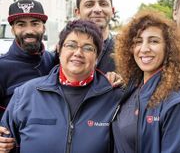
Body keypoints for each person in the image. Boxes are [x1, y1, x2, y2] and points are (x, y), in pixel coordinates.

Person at [0, 19, 124, 153]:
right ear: (59, 49)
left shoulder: (114, 98)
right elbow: (5, 143)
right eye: (71, 45)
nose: (78, 53)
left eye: (88, 48)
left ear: (97, 56)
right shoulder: (26, 94)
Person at [112, 10, 180, 152]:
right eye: (138, 42)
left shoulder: (176, 104)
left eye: (154, 41)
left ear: (169, 48)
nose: (144, 49)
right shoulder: (130, 90)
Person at [0, 0, 55, 119]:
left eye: (35, 24)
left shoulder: (54, 61)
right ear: (13, 30)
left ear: (43, 28)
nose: (29, 31)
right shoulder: (2, 67)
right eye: (21, 24)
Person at [74, 0, 116, 73]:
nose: (97, 9)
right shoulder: (64, 52)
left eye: (103, 4)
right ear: (77, 12)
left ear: (112, 11)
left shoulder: (127, 52)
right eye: (89, 5)